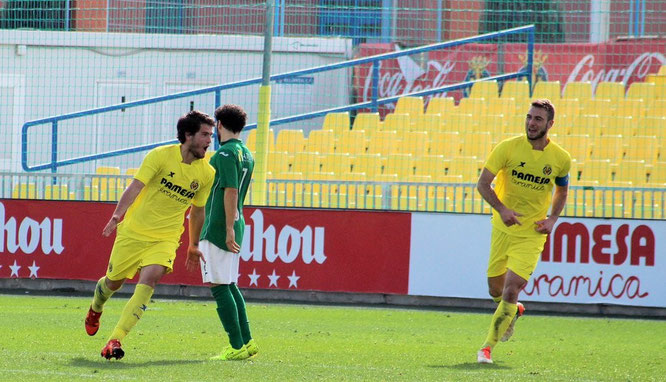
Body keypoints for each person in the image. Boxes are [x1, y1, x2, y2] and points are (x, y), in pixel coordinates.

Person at [84, 110, 216, 360]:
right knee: (113, 282)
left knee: (150, 280)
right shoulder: (160, 156)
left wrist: (193, 244)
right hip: (133, 232)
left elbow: (198, 211)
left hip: (165, 238)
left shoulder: (206, 174)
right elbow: (135, 187)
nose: (210, 141)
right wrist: (116, 215)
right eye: (205, 134)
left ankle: (115, 339)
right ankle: (95, 308)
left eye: (211, 135)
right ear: (188, 135)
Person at [475, 99, 570, 364]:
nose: (531, 123)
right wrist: (502, 209)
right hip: (503, 228)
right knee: (495, 289)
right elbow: (483, 184)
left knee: (511, 288)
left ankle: (486, 348)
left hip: (532, 233)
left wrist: (553, 218)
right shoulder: (507, 148)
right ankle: (513, 311)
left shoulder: (561, 159)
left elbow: (562, 190)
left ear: (550, 124)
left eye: (538, 119)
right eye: (529, 117)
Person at [185, 104, 257, 361]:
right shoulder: (246, 153)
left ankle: (236, 345)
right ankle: (246, 342)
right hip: (235, 223)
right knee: (229, 283)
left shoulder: (225, 154)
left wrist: (226, 228)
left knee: (219, 286)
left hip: (218, 226)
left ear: (219, 126)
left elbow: (230, 191)